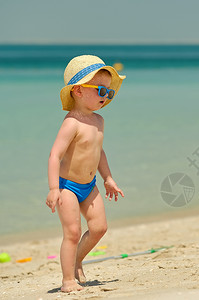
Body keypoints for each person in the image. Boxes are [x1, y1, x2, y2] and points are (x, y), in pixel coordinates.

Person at [46, 55, 125, 292]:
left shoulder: (99, 121)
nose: (105, 96)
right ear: (78, 91)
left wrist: (107, 178)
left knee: (99, 228)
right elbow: (54, 156)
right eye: (101, 90)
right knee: (72, 232)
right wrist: (53, 188)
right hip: (67, 186)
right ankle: (67, 280)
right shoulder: (71, 123)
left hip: (89, 185)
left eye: (109, 93)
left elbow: (98, 152)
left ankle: (78, 259)